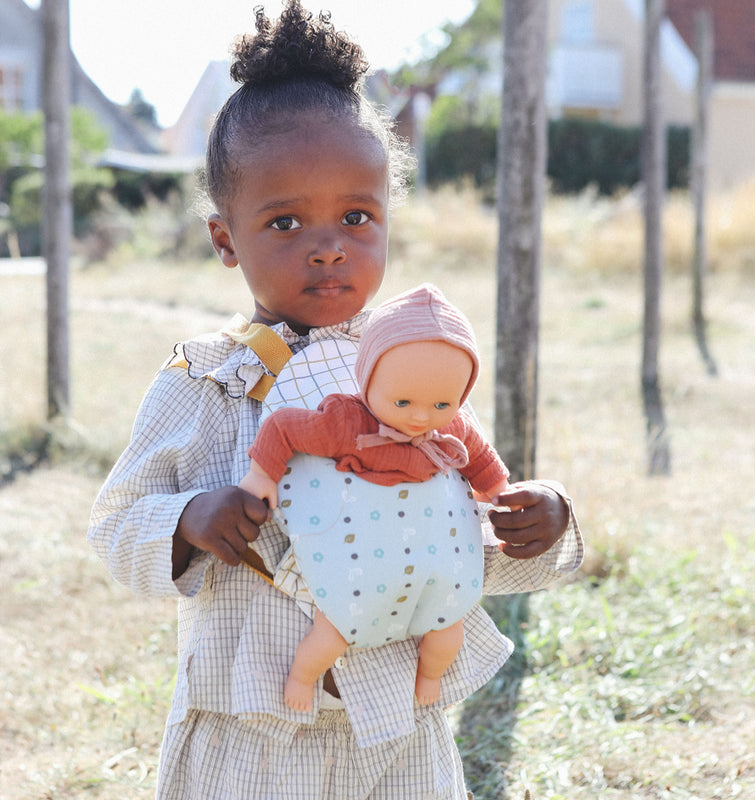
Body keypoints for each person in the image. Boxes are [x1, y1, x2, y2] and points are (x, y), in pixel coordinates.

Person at [87, 2, 583, 798]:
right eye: (285, 221)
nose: (327, 247)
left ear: (387, 220)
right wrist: (186, 520)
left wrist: (538, 522)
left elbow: (460, 536)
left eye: (357, 217)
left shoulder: (414, 369)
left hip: (397, 732)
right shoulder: (202, 382)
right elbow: (115, 527)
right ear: (226, 240)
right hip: (247, 737)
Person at [239, 283, 512, 711]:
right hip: (357, 566)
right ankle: (300, 679)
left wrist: (499, 490)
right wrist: (262, 474)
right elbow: (283, 427)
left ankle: (429, 677)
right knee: (330, 633)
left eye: (442, 404)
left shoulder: (450, 428)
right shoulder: (346, 422)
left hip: (428, 567)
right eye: (402, 401)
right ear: (367, 380)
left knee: (448, 632)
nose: (420, 417)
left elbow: (479, 454)